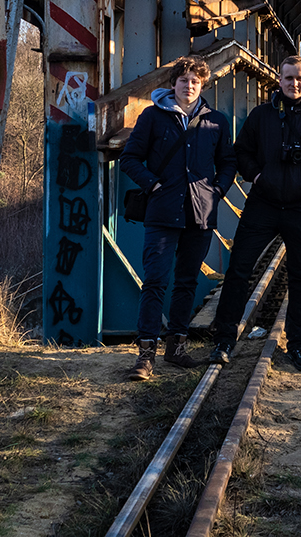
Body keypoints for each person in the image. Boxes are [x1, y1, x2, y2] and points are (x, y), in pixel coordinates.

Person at [207, 55, 301, 372]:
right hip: (263, 204)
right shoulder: (260, 116)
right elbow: (240, 151)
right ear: (279, 80)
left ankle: (298, 345)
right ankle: (224, 340)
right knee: (239, 270)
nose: (294, 83)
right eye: (288, 78)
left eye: (300, 78)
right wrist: (257, 176)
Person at [118, 56, 236, 381]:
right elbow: (129, 158)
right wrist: (153, 183)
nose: (189, 85)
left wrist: (218, 190)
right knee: (155, 280)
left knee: (186, 281)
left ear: (202, 85)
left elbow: (228, 161)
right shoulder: (153, 117)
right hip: (162, 213)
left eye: (195, 81)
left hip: (200, 214)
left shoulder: (216, 121)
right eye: (183, 80)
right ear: (173, 84)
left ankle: (177, 348)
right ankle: (145, 355)